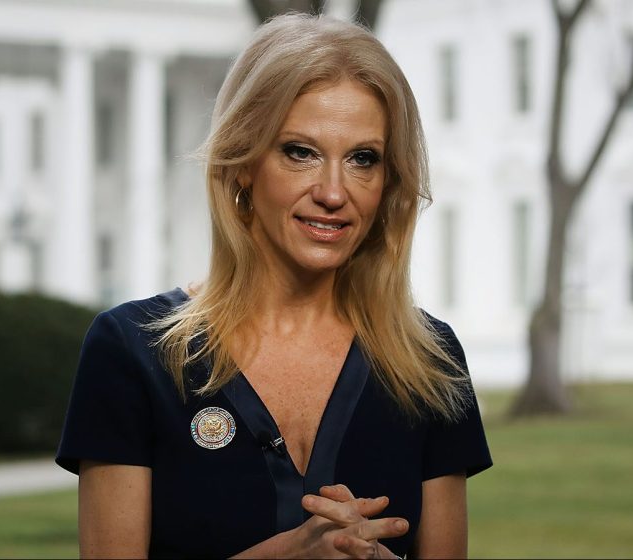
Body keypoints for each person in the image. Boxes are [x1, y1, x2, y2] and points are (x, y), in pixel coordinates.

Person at [57, 12, 491, 559]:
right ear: (243, 162)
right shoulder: (132, 350)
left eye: (363, 159)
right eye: (300, 152)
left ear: (388, 183)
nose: (334, 192)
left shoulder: (429, 362)